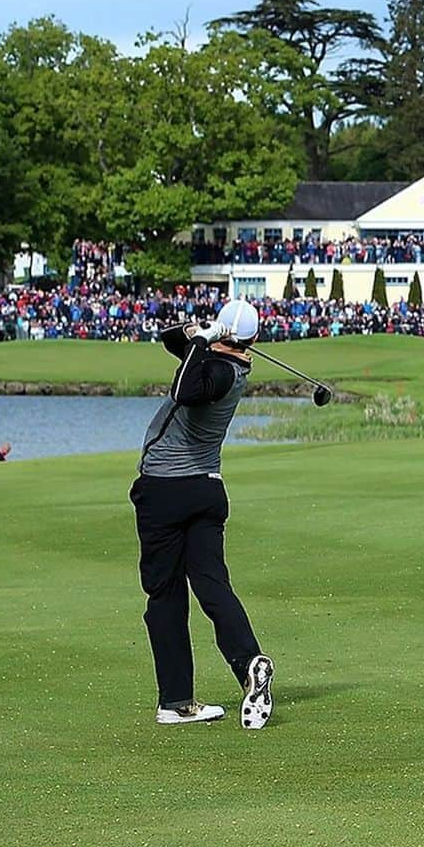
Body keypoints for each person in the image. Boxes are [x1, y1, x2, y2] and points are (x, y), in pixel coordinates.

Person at [129, 297, 274, 730]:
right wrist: (199, 332)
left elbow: (184, 390)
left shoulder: (218, 373)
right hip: (206, 490)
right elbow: (171, 340)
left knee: (165, 595)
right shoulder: (223, 363)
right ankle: (249, 662)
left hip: (165, 491)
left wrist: (206, 341)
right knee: (212, 585)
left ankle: (176, 700)